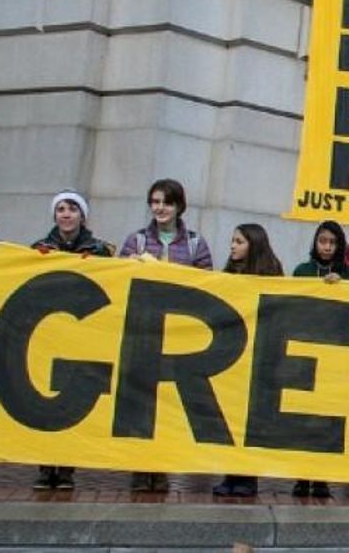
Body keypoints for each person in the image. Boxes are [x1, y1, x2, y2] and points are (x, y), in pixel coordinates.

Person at [119, 178, 212, 493]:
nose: (160, 208)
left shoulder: (196, 244)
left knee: (169, 405)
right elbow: (117, 280)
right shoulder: (136, 241)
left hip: (179, 336)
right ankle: (139, 466)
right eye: (155, 202)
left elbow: (209, 285)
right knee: (140, 402)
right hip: (144, 332)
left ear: (179, 206)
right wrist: (128, 266)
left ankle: (160, 467)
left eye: (167, 202)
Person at [29, 190, 114, 490]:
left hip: (82, 335)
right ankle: (44, 467)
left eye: (72, 209)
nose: (66, 214)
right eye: (61, 209)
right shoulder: (38, 249)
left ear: (82, 216)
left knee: (73, 402)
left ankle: (66, 468)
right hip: (48, 334)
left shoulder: (101, 251)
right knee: (43, 402)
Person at [212, 224, 283, 499]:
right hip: (231, 358)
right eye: (232, 240)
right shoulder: (228, 275)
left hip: (260, 357)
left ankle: (247, 477)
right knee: (230, 420)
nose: (232, 246)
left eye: (239, 241)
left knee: (250, 423)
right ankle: (230, 475)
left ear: (254, 244)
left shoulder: (272, 275)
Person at [289, 221, 349, 499]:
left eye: (332, 242)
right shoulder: (302, 271)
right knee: (303, 419)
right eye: (322, 241)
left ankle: (321, 477)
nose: (327, 247)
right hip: (306, 351)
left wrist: (343, 287)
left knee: (328, 419)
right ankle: (301, 476)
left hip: (337, 354)